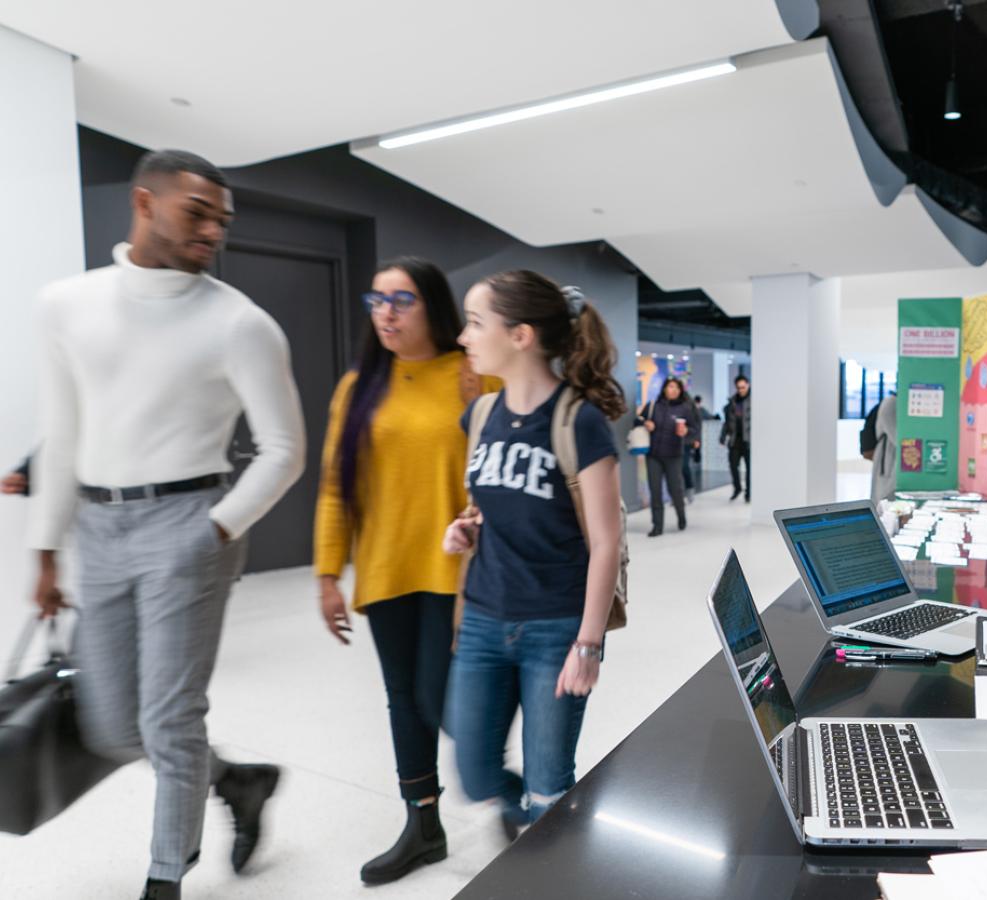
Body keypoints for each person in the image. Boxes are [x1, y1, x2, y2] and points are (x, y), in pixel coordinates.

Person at [27, 150, 306, 900]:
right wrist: (46, 550)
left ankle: (164, 879)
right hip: (99, 526)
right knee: (111, 726)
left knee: (170, 717)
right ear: (145, 204)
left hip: (191, 523)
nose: (213, 230)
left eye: (223, 219)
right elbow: (62, 432)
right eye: (197, 213)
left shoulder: (240, 323)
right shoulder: (66, 304)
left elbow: (284, 450)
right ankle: (239, 782)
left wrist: (215, 529)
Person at [312, 257, 498, 885]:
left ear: (434, 309)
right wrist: (326, 574)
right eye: (377, 299)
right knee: (405, 702)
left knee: (442, 699)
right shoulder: (358, 387)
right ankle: (424, 826)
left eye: (403, 300)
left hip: (461, 571)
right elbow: (336, 487)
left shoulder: (477, 377)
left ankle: (505, 781)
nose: (385, 312)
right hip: (387, 570)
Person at [443, 270, 624, 842]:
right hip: (483, 618)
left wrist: (588, 645)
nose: (463, 337)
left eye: (475, 323)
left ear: (520, 335)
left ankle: (546, 860)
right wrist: (466, 527)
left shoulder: (579, 422)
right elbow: (492, 502)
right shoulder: (479, 415)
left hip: (555, 627)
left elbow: (606, 543)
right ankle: (519, 818)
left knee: (549, 788)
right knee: (473, 770)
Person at [637, 377, 699, 534]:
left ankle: (681, 517)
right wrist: (646, 423)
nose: (674, 390)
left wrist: (686, 432)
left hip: (674, 455)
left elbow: (694, 430)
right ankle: (657, 526)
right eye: (671, 387)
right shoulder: (654, 406)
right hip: (653, 455)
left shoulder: (685, 408)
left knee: (675, 490)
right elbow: (636, 421)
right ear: (665, 388)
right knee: (655, 491)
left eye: (677, 388)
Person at [721, 375, 751, 502]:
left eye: (743, 387)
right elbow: (727, 422)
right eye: (739, 388)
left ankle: (749, 492)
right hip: (734, 440)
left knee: (750, 468)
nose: (741, 390)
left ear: (748, 385)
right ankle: (737, 488)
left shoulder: (753, 401)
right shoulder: (733, 402)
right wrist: (723, 436)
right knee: (733, 466)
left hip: (749, 441)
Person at [869, 391, 898, 504]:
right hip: (887, 455)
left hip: (891, 454)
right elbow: (896, 435)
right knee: (883, 494)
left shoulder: (896, 401)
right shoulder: (891, 402)